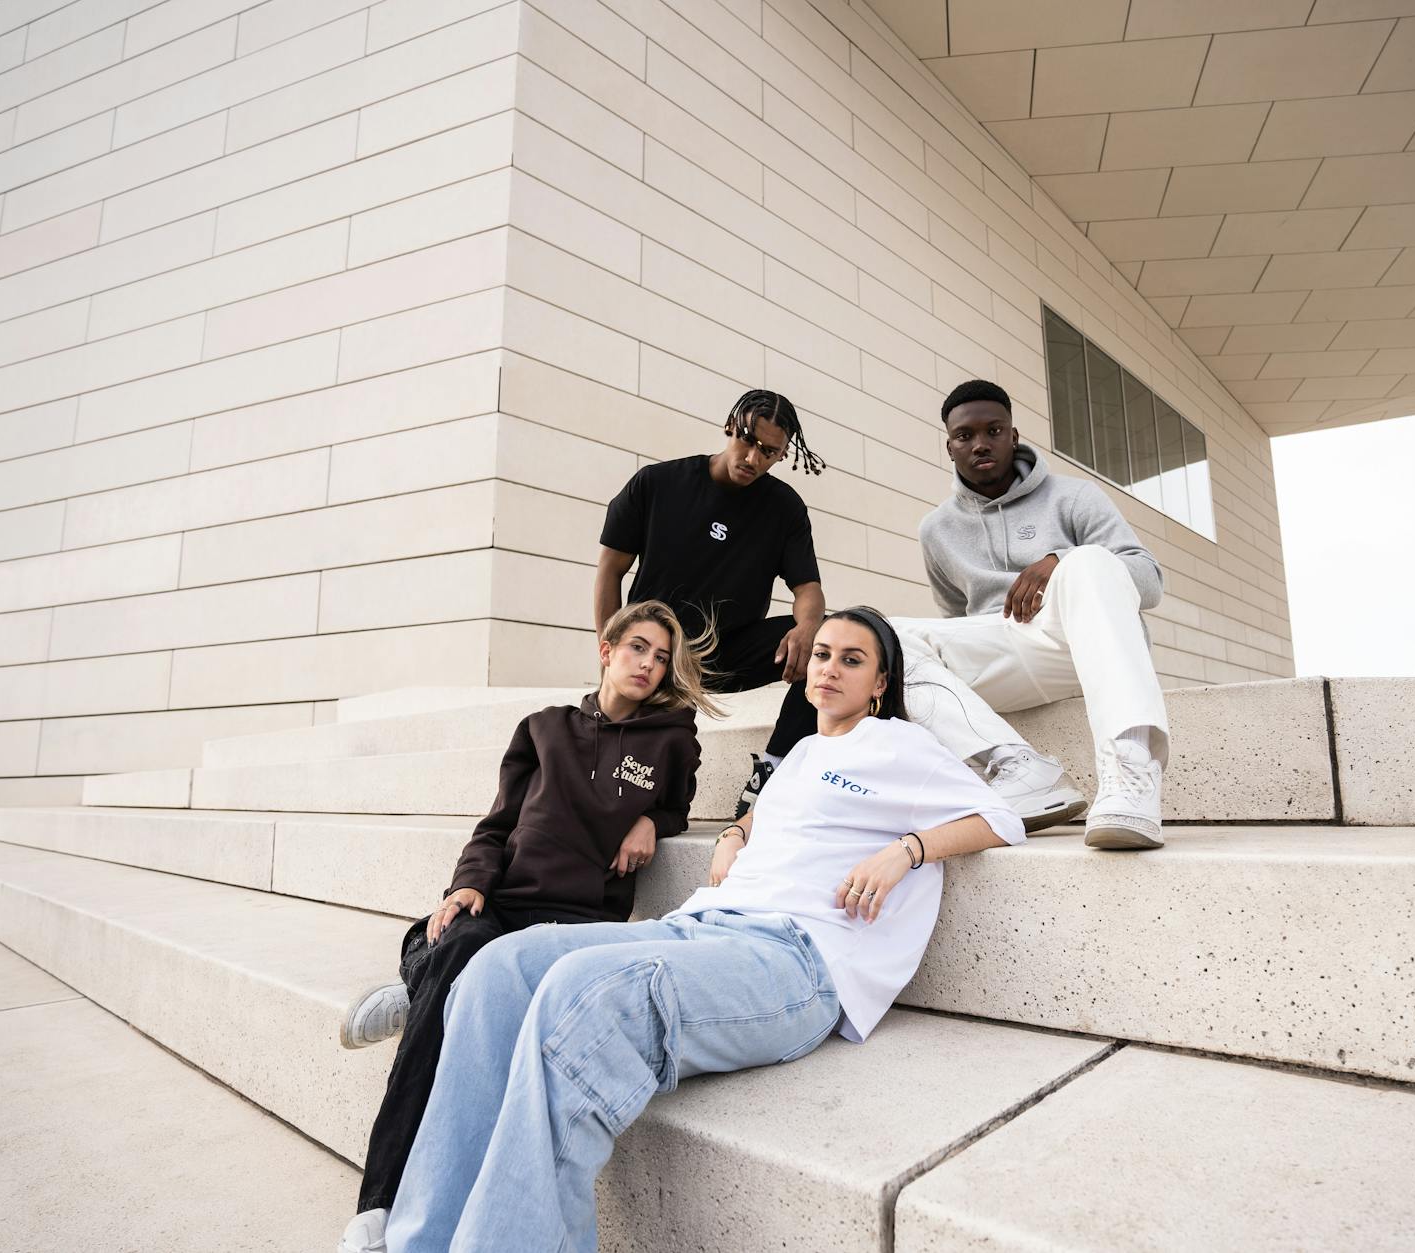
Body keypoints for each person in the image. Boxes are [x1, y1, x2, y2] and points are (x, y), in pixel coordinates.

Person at [382, 608, 1024, 1252]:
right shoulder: (804, 752)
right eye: (822, 653)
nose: (829, 669)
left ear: (881, 684)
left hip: (795, 959)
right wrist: (734, 832)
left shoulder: (898, 745)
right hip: (702, 925)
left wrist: (906, 850)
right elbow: (773, 820)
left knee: (585, 996)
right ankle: (419, 1239)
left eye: (852, 660)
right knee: (497, 970)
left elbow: (1005, 814)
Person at [335, 601, 715, 1253]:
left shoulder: (672, 738)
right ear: (607, 648)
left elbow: (678, 804)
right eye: (638, 648)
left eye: (661, 656)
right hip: (501, 902)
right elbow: (495, 826)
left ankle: (420, 986)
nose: (649, 664)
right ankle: (378, 1206)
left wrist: (656, 820)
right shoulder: (543, 729)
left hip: (572, 923)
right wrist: (469, 883)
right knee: (458, 947)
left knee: (455, 975)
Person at [893, 379, 1171, 850]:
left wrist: (1060, 561)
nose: (980, 443)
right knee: (879, 635)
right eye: (965, 436)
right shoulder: (936, 529)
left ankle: (1130, 771)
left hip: (1077, 642)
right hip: (1001, 652)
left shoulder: (1075, 498)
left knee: (1089, 559)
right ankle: (1018, 765)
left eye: (993, 430)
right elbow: (955, 620)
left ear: (1014, 436)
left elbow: (1148, 581)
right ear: (950, 447)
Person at [595, 389, 827, 819]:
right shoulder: (658, 483)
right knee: (657, 759)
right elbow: (610, 570)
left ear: (781, 455)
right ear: (729, 427)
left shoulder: (784, 508)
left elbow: (807, 588)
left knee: (828, 640)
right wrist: (613, 650)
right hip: (658, 650)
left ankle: (773, 772)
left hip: (726, 652)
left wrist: (808, 627)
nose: (753, 458)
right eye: (747, 441)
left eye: (769, 452)